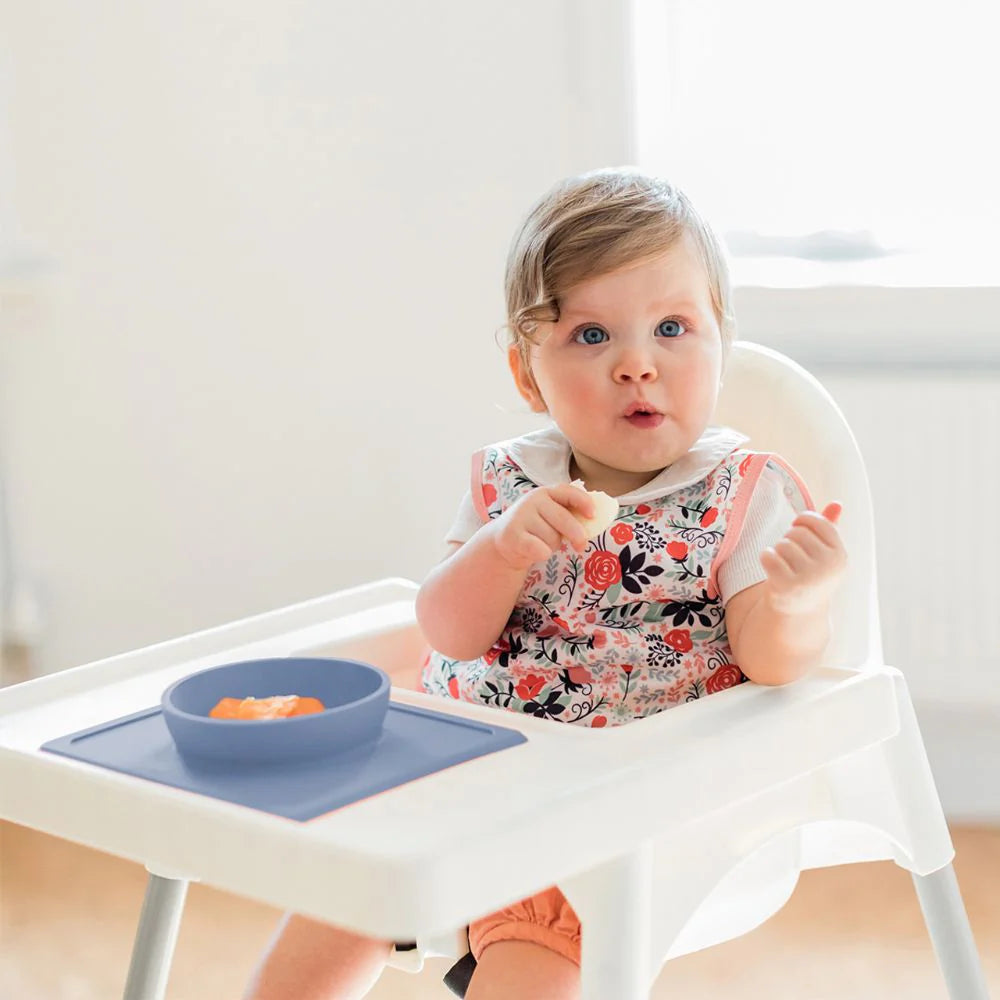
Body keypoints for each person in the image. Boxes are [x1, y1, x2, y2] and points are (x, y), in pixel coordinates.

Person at [243, 167, 847, 1000]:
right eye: (592, 336)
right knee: (335, 895)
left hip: (607, 814)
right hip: (452, 771)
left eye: (672, 327)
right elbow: (449, 632)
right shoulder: (510, 482)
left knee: (528, 960)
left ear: (720, 346)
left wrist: (796, 599)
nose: (637, 364)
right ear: (529, 373)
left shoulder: (744, 492)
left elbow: (772, 662)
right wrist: (498, 550)